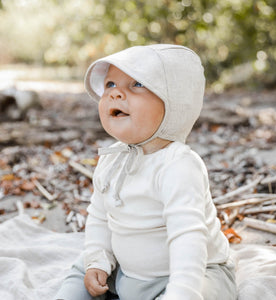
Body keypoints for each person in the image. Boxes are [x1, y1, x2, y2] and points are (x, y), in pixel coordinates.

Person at [55, 44, 237, 300]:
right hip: (126, 274)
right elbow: (100, 216)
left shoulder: (178, 165)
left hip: (192, 273)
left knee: (206, 292)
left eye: (137, 84)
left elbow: (189, 240)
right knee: (81, 269)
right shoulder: (112, 159)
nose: (116, 93)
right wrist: (97, 262)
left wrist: (182, 292)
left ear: (174, 100)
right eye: (110, 85)